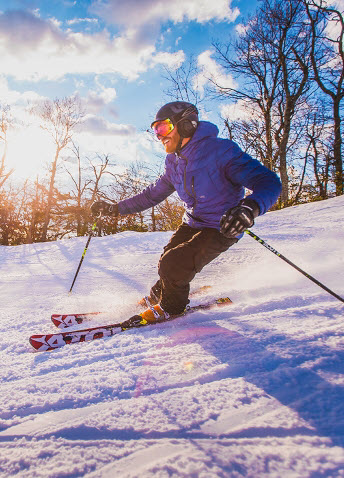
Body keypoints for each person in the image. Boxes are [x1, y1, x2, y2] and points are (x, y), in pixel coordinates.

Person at [91, 101, 282, 321]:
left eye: (163, 128)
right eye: (155, 130)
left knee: (174, 264)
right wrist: (115, 209)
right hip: (192, 221)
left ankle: (172, 308)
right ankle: (160, 294)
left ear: (186, 125)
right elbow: (152, 194)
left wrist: (249, 209)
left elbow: (268, 182)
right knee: (167, 260)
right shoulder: (174, 161)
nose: (159, 136)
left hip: (222, 226)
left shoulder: (220, 151)